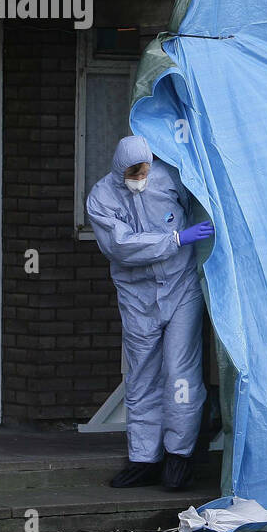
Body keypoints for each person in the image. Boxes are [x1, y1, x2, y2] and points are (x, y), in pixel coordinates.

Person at [87, 135, 214, 490]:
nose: (141, 175)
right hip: (137, 296)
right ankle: (143, 458)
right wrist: (174, 241)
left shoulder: (168, 177)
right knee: (142, 375)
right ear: (118, 168)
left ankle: (180, 455)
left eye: (145, 168)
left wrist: (188, 239)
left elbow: (194, 206)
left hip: (180, 288)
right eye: (134, 170)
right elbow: (120, 246)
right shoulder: (102, 197)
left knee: (181, 374)